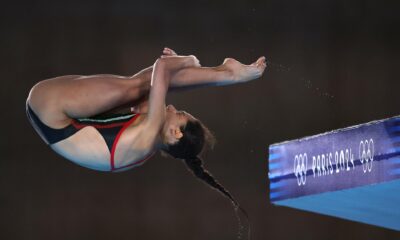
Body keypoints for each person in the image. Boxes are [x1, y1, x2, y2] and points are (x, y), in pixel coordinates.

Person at [26, 47, 266, 238]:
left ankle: (229, 74)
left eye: (179, 112)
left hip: (49, 107)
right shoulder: (150, 143)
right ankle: (227, 73)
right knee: (143, 87)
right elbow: (153, 88)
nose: (171, 107)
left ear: (175, 133)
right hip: (53, 120)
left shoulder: (150, 132)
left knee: (136, 85)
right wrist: (171, 69)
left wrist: (187, 60)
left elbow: (160, 68)